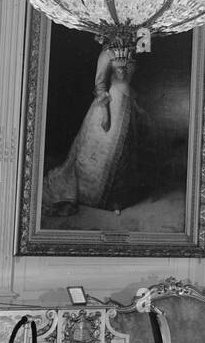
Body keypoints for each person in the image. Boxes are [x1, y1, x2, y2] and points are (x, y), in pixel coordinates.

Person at [43, 45, 150, 217]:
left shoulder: (133, 50)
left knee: (125, 154)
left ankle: (117, 199)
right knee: (103, 154)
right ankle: (94, 197)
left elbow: (129, 82)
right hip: (109, 107)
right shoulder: (106, 53)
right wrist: (106, 114)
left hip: (128, 106)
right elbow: (100, 85)